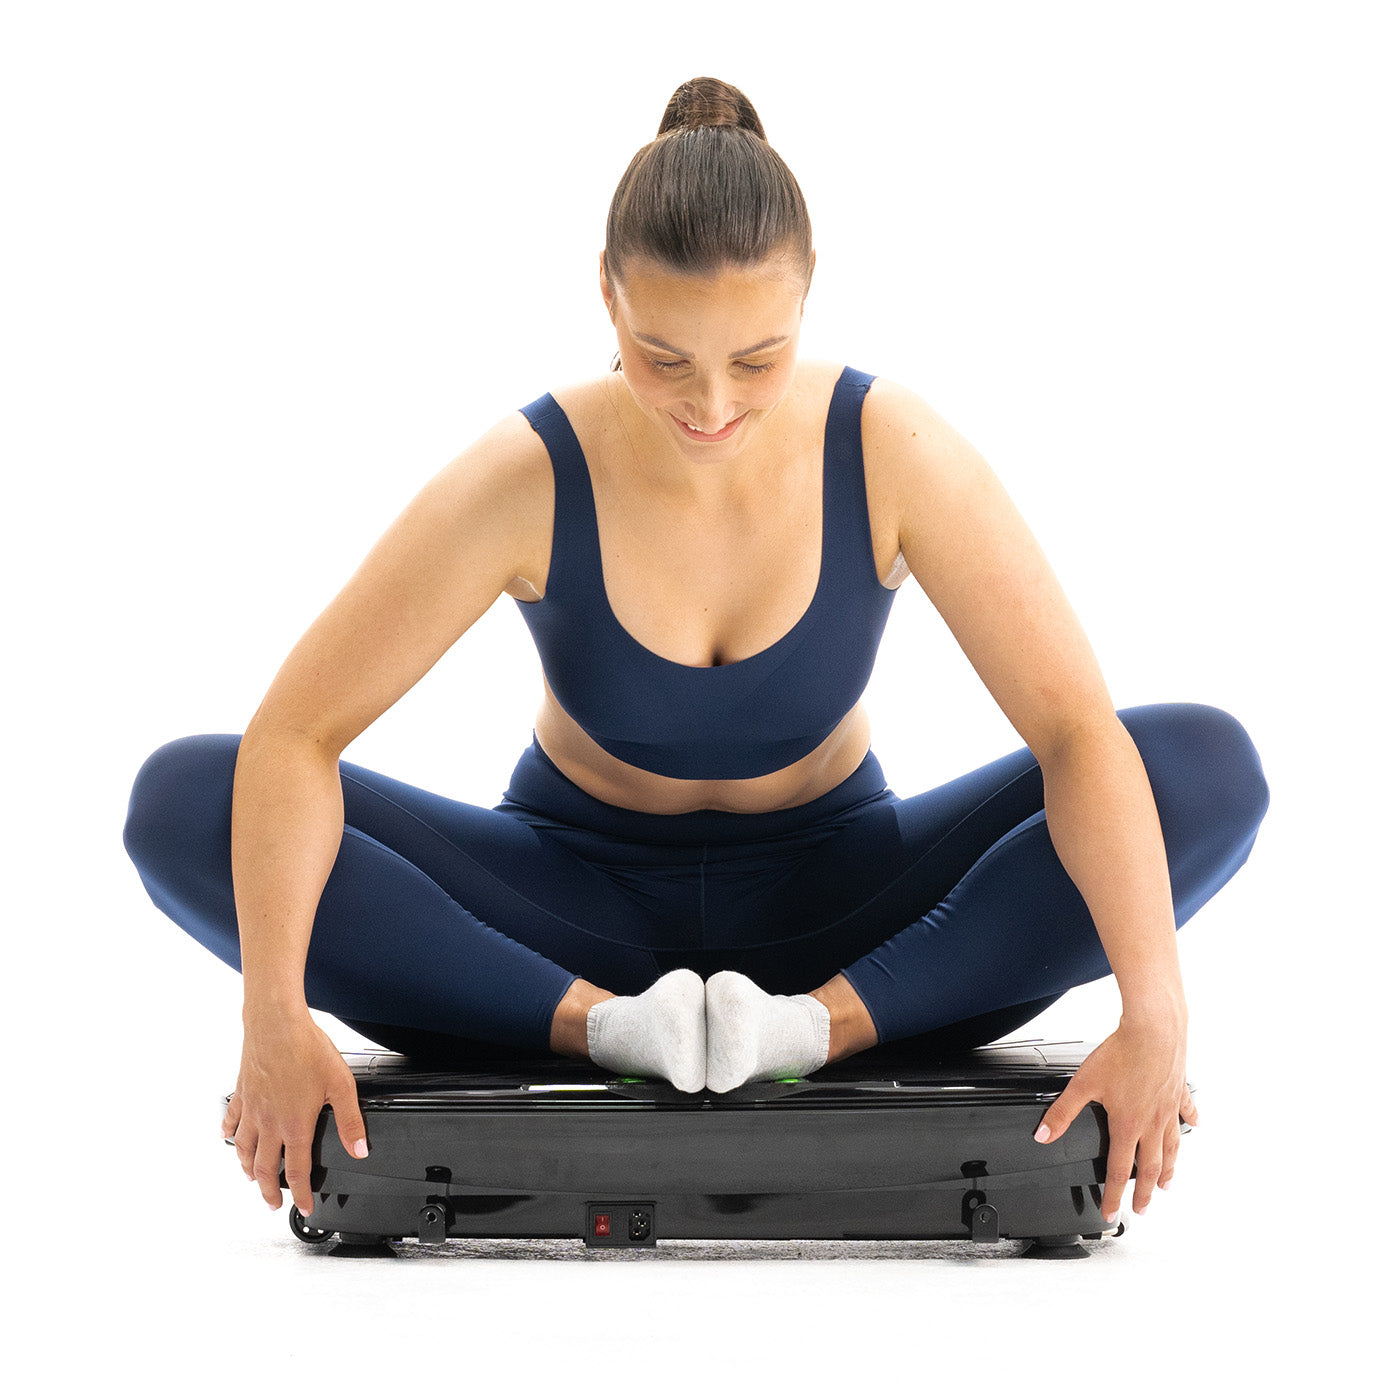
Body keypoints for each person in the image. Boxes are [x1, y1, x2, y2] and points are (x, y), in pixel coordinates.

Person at [123, 77, 1268, 1233]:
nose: (712, 406)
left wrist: (1154, 1009)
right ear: (606, 298)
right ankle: (609, 1027)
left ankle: (816, 1026)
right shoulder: (526, 473)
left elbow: (1074, 732)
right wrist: (271, 1012)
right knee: (186, 797)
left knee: (1201, 769)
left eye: (757, 360)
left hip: (849, 900)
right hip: (562, 906)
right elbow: (293, 736)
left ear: (807, 298)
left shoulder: (891, 451)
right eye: (664, 358)